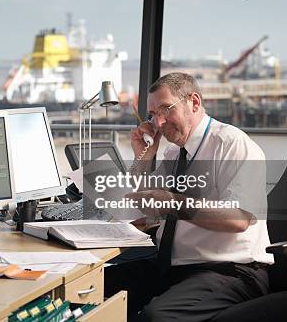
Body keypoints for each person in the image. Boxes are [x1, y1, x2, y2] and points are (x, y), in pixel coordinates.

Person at [104, 72, 273, 322]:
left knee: (156, 317)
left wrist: (173, 203)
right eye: (152, 114)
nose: (158, 123)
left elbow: (238, 220)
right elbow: (147, 207)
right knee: (96, 288)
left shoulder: (232, 144)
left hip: (230, 270)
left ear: (194, 102)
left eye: (165, 109)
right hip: (173, 266)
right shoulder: (174, 153)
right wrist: (144, 157)